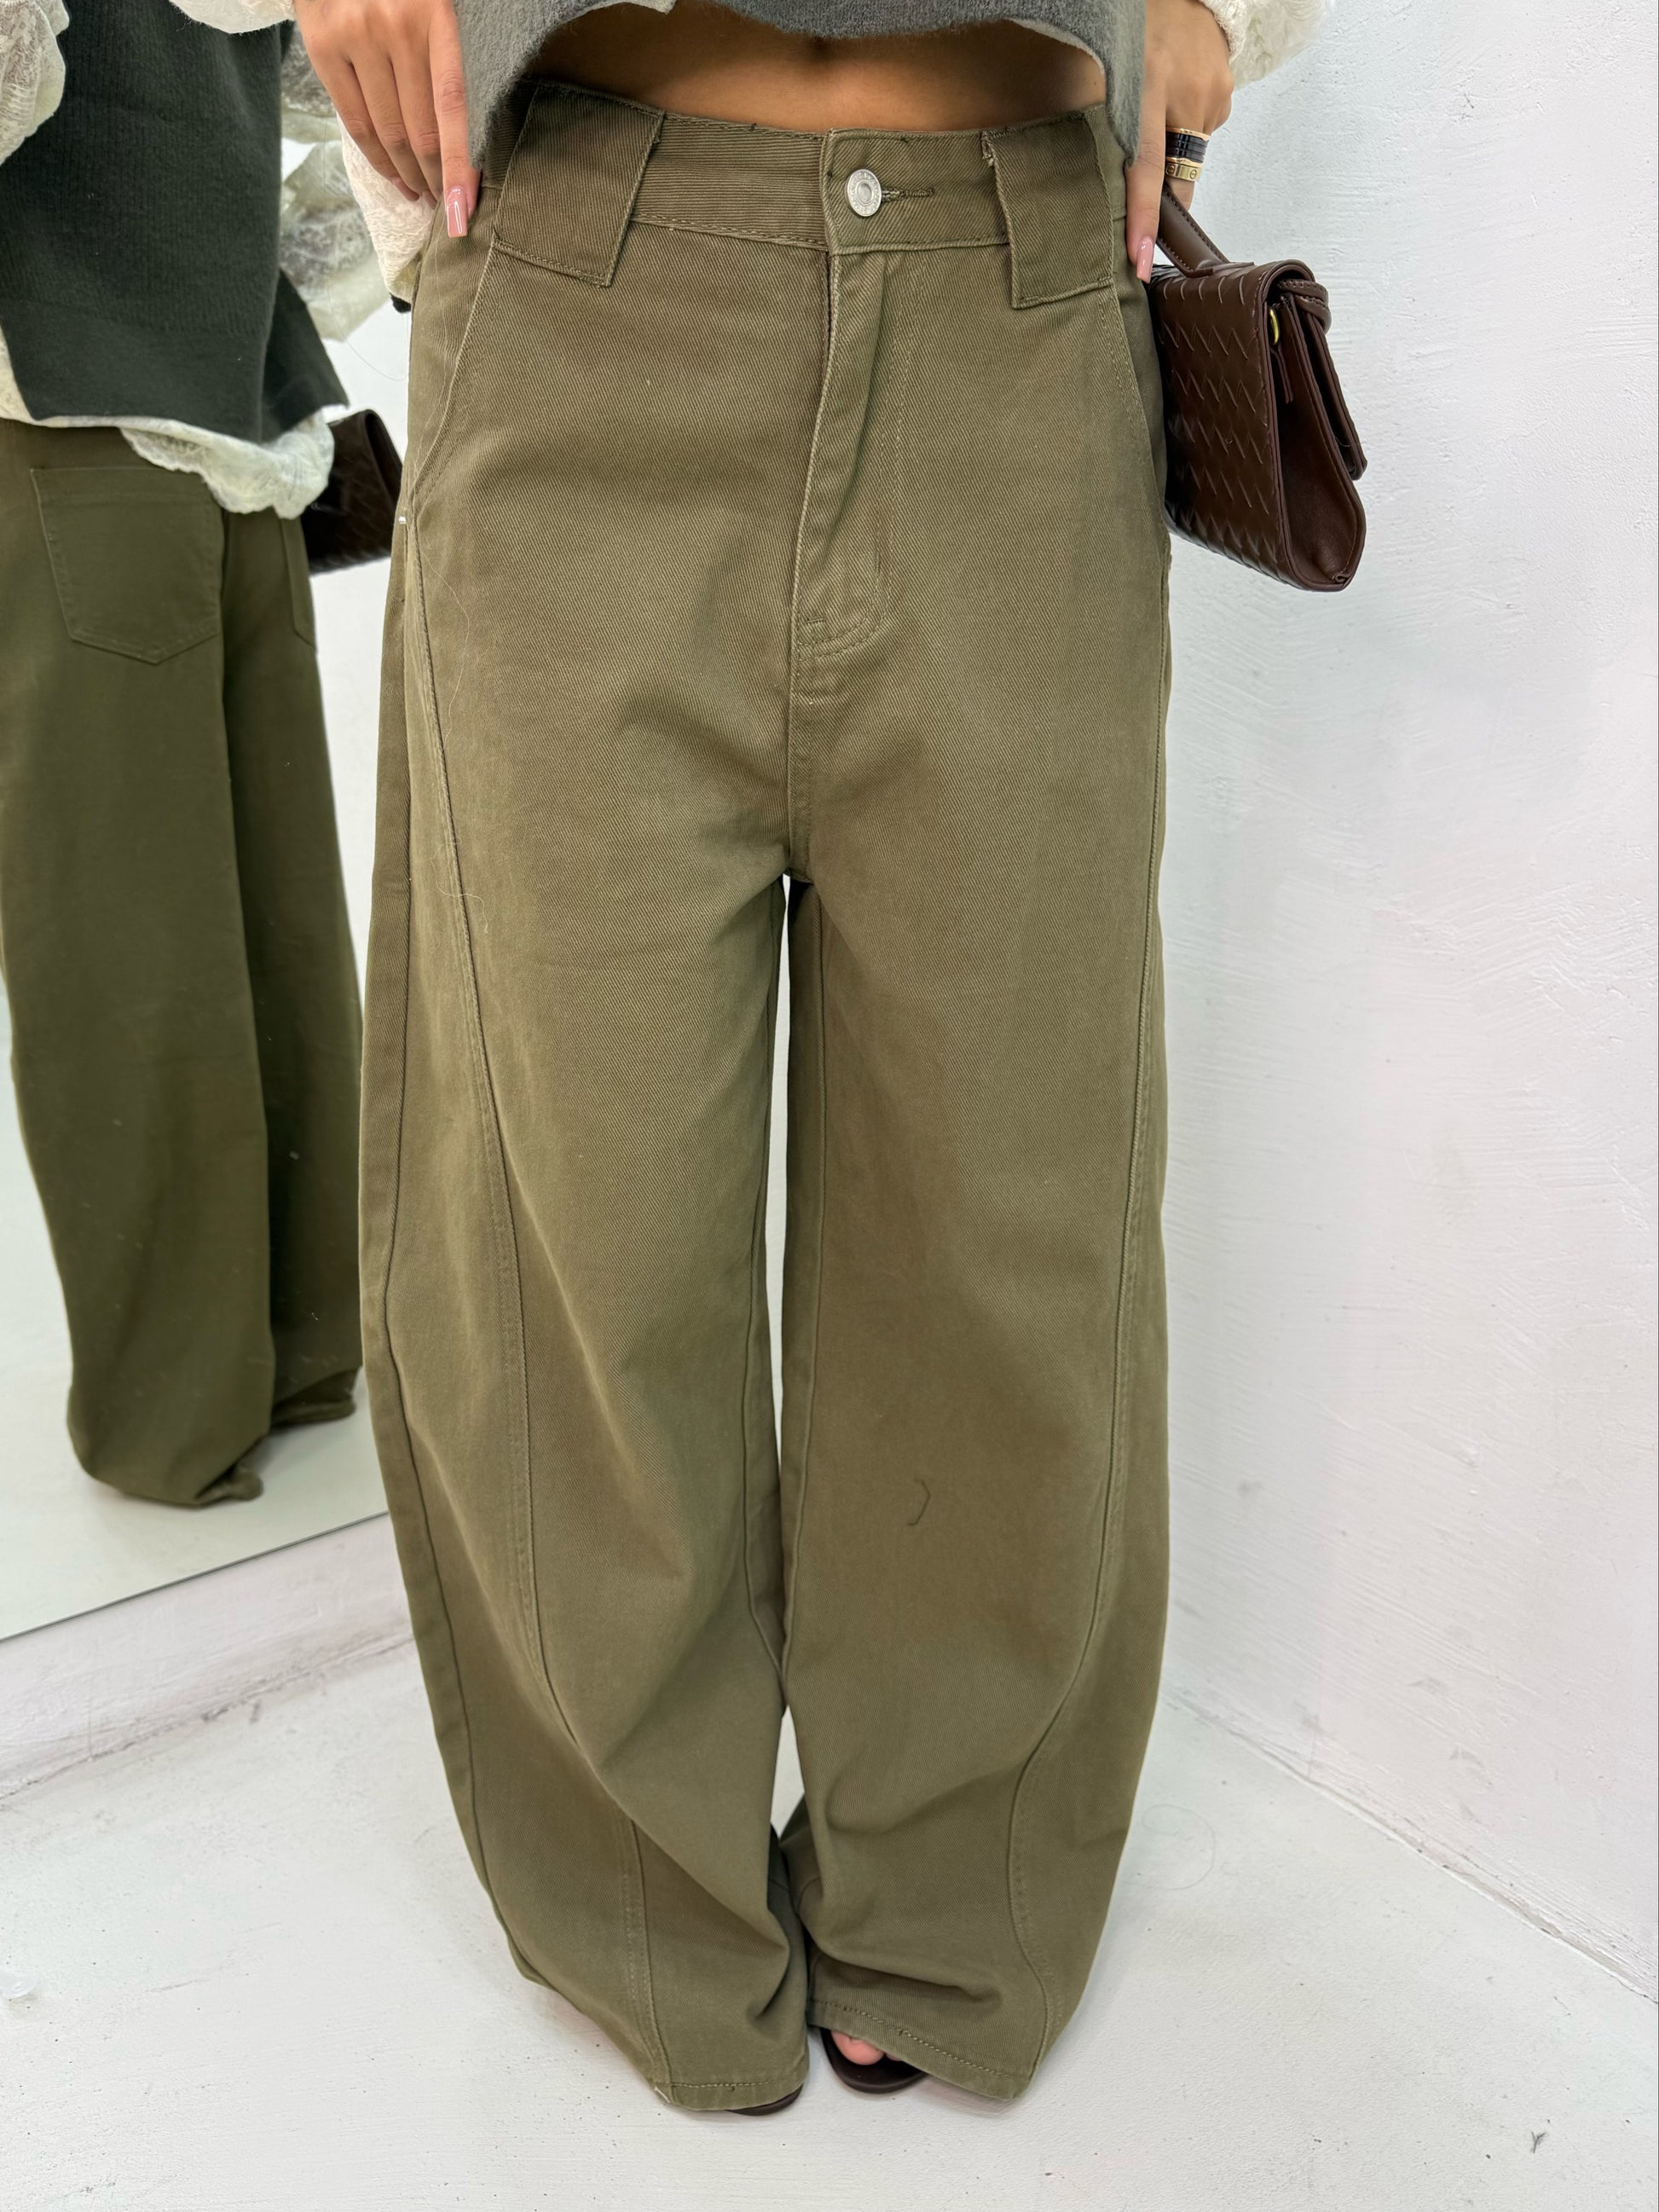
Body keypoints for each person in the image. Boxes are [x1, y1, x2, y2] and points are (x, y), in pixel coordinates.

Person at [298, 0, 1321, 2109]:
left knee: (1005, 1199)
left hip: (1018, 290)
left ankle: (947, 1903)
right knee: (570, 1204)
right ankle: (644, 1900)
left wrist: (1228, 12)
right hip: (578, 264)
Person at [0, 0, 379, 1505]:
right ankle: (285, 1358)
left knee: (159, 939)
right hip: (178, 391)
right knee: (242, 921)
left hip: (128, 408)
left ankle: (196, 1402)